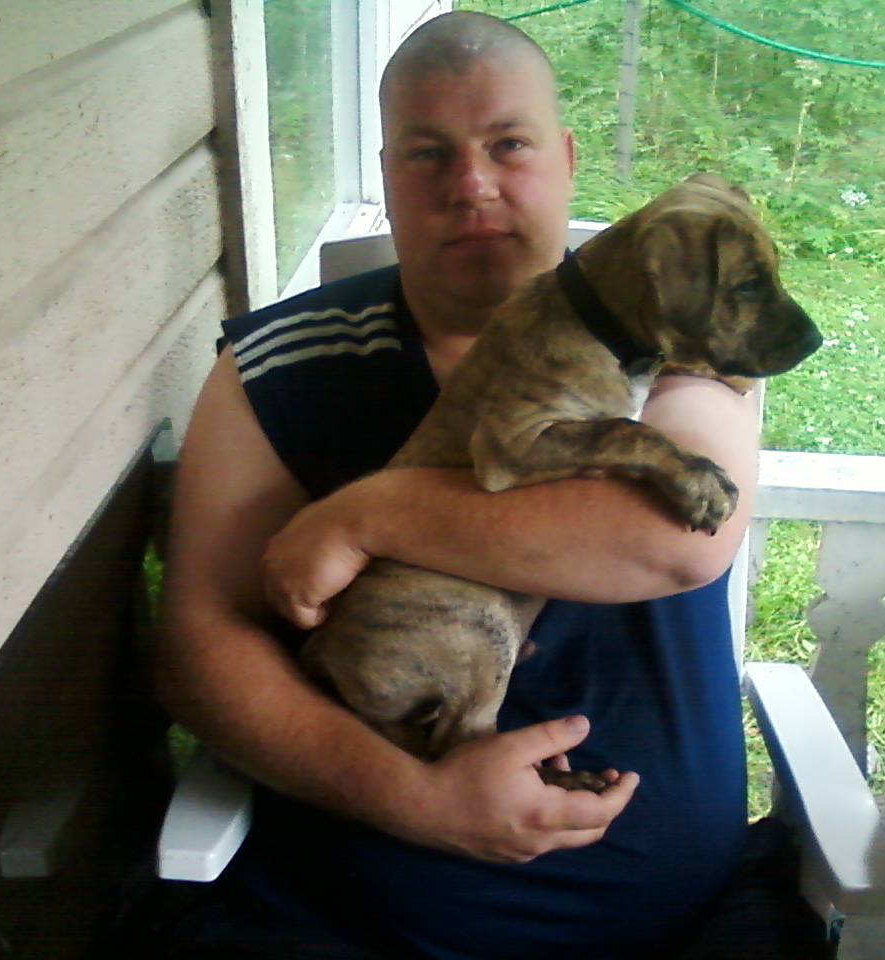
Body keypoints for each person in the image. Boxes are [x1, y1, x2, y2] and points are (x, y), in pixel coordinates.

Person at [154, 10, 825, 959]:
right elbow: (200, 654)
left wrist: (364, 516)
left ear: (566, 157)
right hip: (359, 924)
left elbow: (673, 538)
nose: (472, 186)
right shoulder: (277, 365)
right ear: (386, 174)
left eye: (508, 144)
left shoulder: (679, 333)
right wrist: (417, 801)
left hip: (680, 933)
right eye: (427, 154)